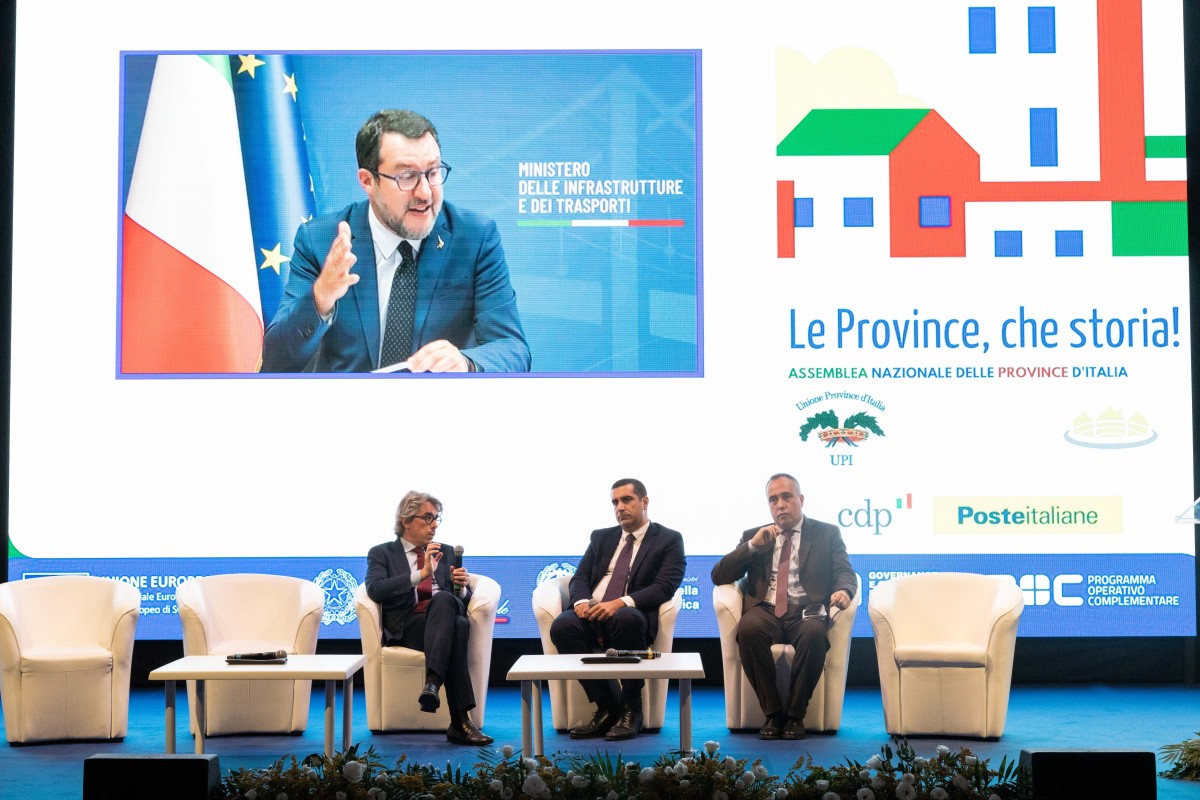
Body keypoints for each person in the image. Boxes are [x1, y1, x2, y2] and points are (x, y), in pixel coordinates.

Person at [262, 109, 530, 373]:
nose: (425, 193)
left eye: (433, 172)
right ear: (368, 181)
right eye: (407, 177)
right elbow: (276, 361)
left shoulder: (474, 238)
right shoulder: (320, 241)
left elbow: (513, 349)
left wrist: (466, 363)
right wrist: (321, 298)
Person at [710, 473, 856, 741]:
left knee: (814, 635)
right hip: (767, 609)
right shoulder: (756, 535)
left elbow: (844, 571)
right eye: (773, 499)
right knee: (748, 629)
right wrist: (752, 546)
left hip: (807, 609)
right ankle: (773, 713)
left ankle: (795, 716)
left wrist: (844, 590)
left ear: (801, 499)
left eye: (786, 497)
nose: (780, 504)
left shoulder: (826, 533)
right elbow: (719, 576)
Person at [548, 479, 686, 741]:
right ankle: (607, 707)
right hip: (593, 612)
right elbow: (580, 577)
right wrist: (581, 602)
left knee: (625, 618)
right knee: (562, 626)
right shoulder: (601, 537)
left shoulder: (668, 539)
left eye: (626, 500)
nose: (620, 507)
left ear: (644, 502)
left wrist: (621, 602)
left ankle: (632, 708)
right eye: (615, 502)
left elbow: (664, 587)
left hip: (631, 614)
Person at [364, 491, 493, 745]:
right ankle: (460, 722)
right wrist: (421, 575)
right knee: (458, 626)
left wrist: (461, 587)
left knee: (451, 611)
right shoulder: (382, 553)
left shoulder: (445, 552)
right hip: (408, 625)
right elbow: (375, 589)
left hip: (442, 621)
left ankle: (432, 686)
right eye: (428, 518)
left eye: (436, 519)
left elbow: (460, 601)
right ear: (406, 520)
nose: (434, 525)